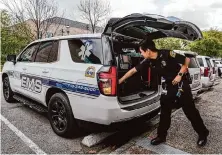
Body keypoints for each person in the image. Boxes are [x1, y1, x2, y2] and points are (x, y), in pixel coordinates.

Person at [119, 39, 209, 147]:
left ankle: (203, 133)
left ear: (148, 50)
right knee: (165, 111)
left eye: (141, 52)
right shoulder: (149, 61)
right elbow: (133, 70)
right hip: (169, 86)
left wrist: (179, 75)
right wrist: (120, 81)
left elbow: (187, 60)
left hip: (181, 84)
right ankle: (161, 136)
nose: (140, 54)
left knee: (190, 111)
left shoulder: (167, 53)